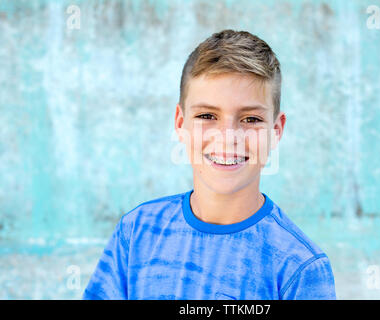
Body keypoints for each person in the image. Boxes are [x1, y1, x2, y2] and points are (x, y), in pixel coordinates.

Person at [82, 29, 336, 300]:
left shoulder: (300, 267)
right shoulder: (136, 234)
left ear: (276, 130)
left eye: (251, 119)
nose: (228, 138)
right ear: (181, 123)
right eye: (207, 115)